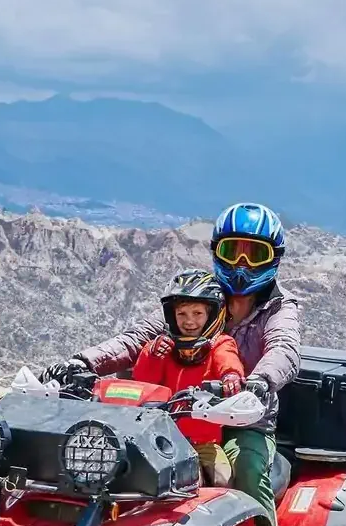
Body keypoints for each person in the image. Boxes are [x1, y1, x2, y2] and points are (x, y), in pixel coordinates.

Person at [55, 203, 301, 506]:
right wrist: (84, 361)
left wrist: (260, 381)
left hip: (244, 419)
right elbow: (137, 337)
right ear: (216, 252)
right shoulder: (200, 297)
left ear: (273, 258)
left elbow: (284, 347)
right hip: (179, 414)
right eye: (232, 251)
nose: (241, 263)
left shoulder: (279, 307)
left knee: (248, 471)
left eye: (255, 254)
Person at [122, 269, 245, 482]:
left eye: (197, 313)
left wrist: (231, 376)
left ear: (212, 315)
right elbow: (143, 381)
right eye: (182, 314)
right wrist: (152, 355)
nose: (189, 321)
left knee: (223, 479)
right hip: (163, 439)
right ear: (172, 316)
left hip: (205, 444)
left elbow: (228, 358)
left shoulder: (219, 344)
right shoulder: (163, 347)